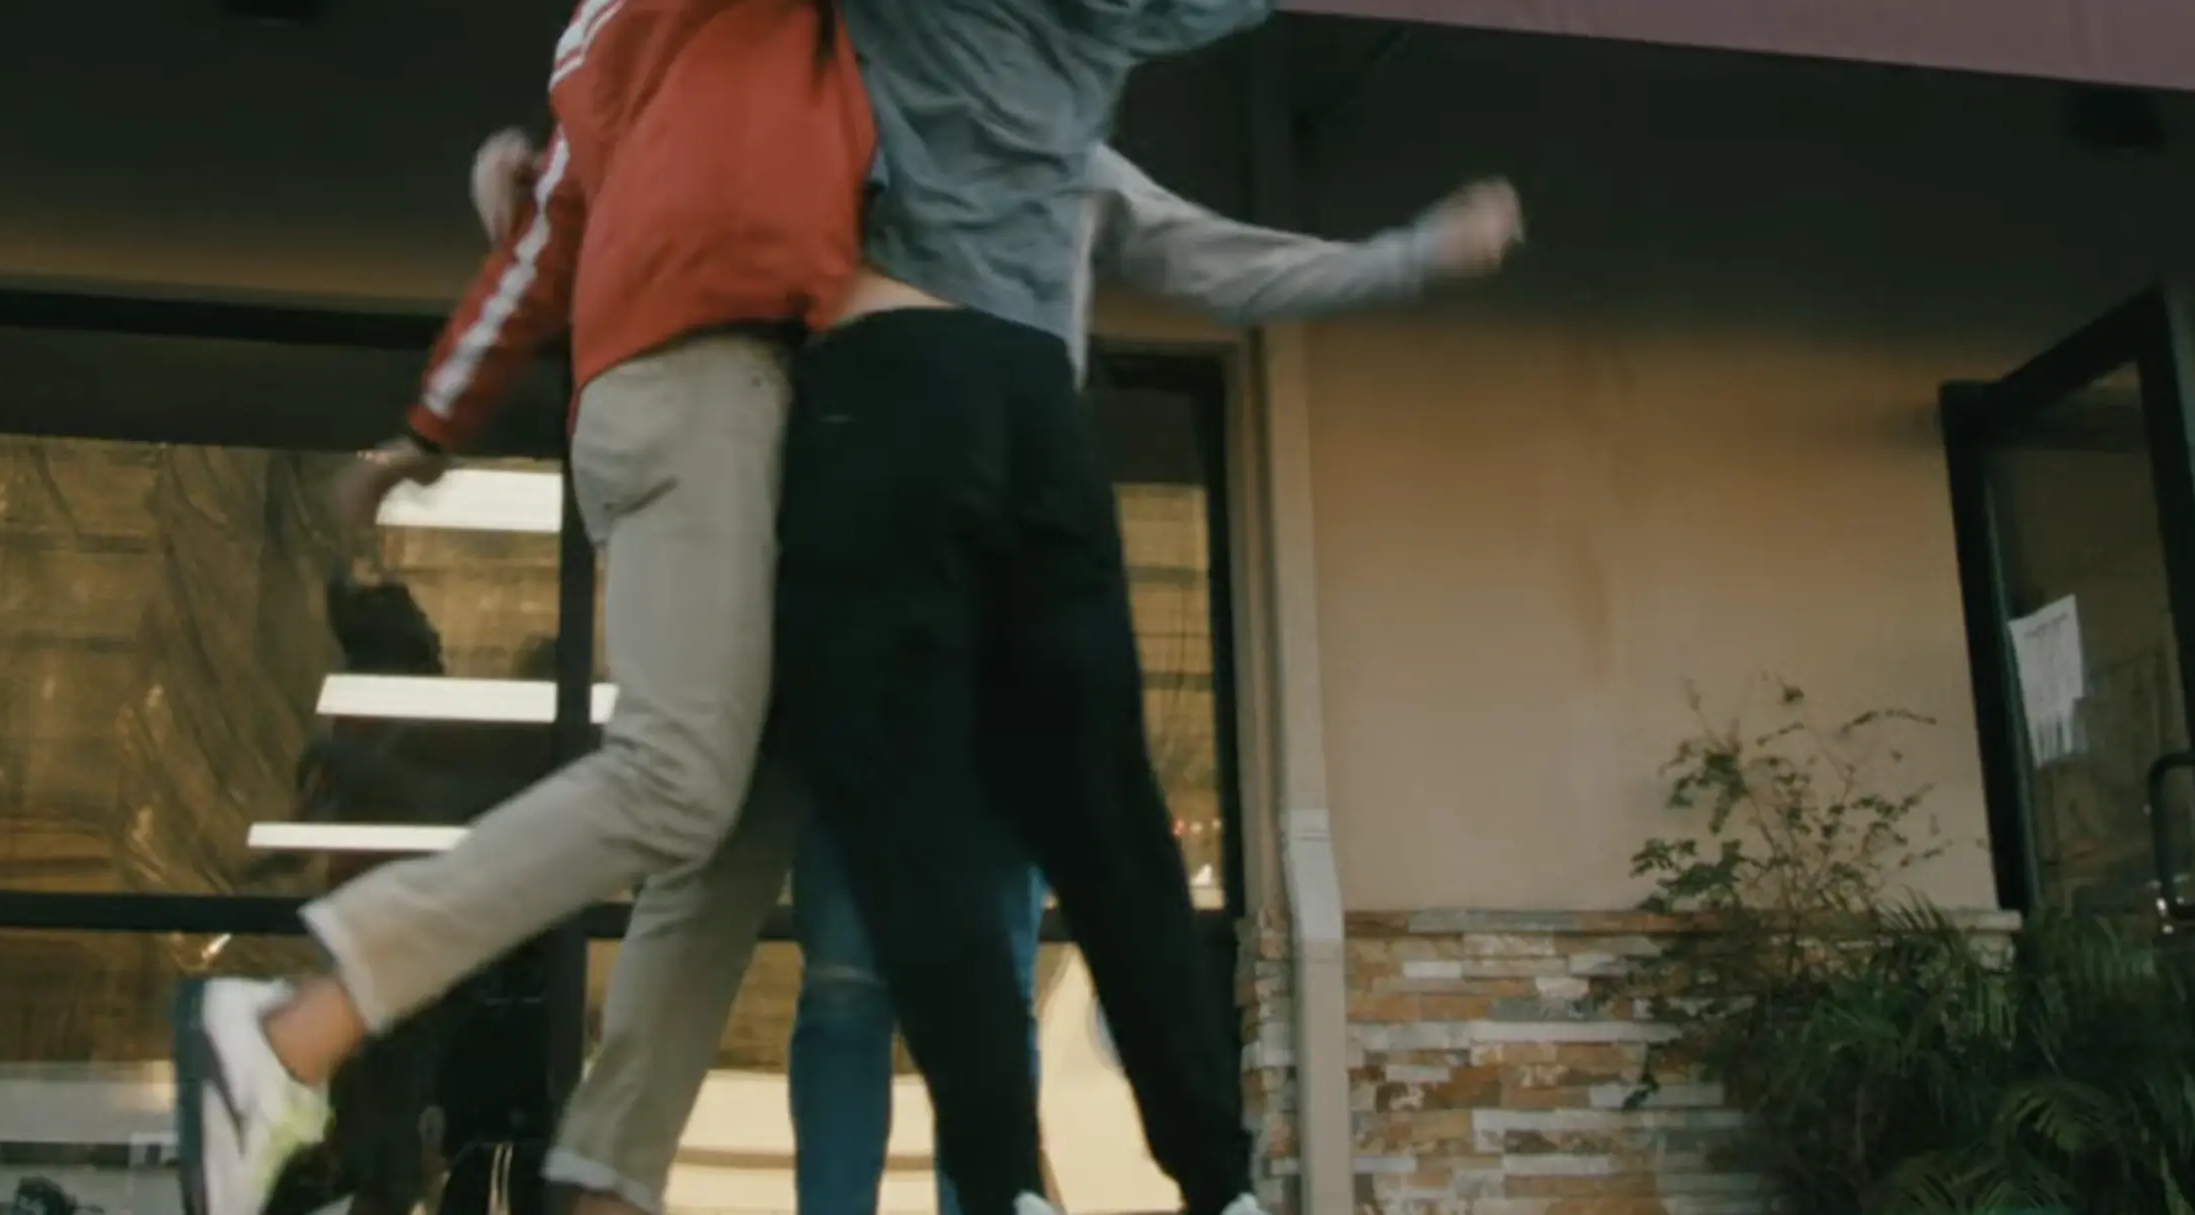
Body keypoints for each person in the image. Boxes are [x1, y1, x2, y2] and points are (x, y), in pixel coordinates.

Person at [676, 0, 1365, 1215]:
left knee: (891, 789)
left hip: (894, 384)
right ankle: (1221, 1174)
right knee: (1111, 820)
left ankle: (990, 1169)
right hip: (1044, 420)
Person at [170, 0, 959, 1215]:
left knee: (735, 816)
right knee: (676, 782)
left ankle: (603, 1167)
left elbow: (546, 243)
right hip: (708, 382)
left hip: (692, 392)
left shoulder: (619, 10)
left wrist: (431, 422)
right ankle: (302, 1008)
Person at [465, 133, 1523, 1215]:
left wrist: (1410, 255)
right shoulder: (859, 133)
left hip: (1014, 578)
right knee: (845, 975)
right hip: (860, 564)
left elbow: (1224, 261)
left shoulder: (1062, 156)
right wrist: (542, 201)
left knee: (996, 968)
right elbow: (693, 204)